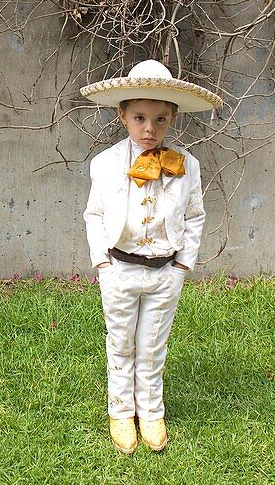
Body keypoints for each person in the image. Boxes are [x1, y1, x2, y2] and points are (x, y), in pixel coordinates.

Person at [80, 59, 222, 455]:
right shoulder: (105, 164)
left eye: (160, 119)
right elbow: (93, 215)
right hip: (120, 268)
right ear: (122, 114)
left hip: (164, 272)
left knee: (153, 343)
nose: (149, 129)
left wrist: (181, 265)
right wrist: (103, 265)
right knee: (121, 341)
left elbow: (195, 215)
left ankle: (152, 411)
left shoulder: (187, 167)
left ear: (173, 117)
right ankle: (121, 411)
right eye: (140, 117)